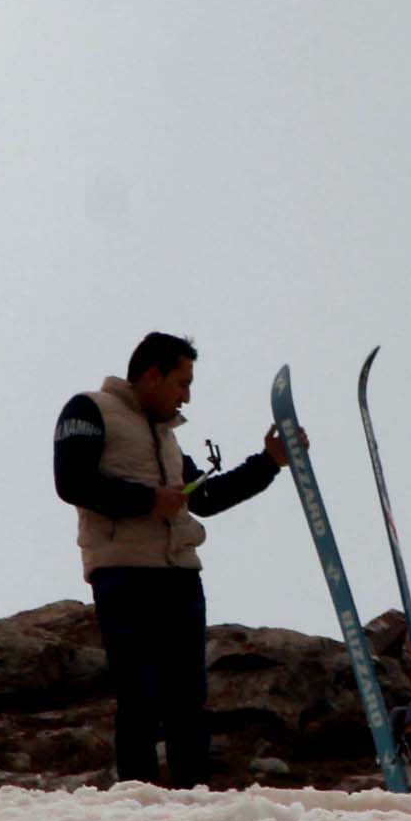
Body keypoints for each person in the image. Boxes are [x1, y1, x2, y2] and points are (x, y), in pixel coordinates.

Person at [52, 333, 286, 786]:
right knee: (139, 696)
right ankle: (138, 801)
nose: (188, 396)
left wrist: (269, 462)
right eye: (183, 383)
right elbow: (71, 481)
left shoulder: (166, 437)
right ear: (153, 375)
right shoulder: (88, 409)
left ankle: (192, 799)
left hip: (179, 574)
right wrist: (146, 501)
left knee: (188, 699)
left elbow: (207, 498)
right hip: (123, 574)